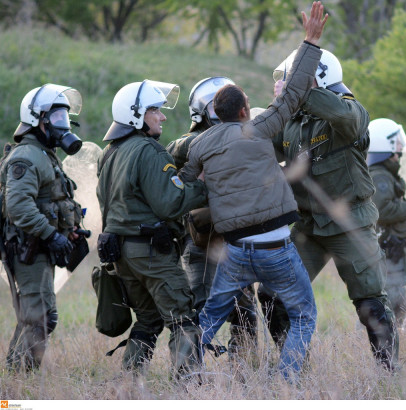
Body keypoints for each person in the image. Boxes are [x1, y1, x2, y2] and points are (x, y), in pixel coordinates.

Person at [179, 1, 327, 381]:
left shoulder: (198, 146)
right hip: (276, 248)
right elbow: (292, 95)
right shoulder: (259, 128)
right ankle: (287, 379)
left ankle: (184, 374)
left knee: (209, 318)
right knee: (303, 314)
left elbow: (185, 185)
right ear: (245, 110)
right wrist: (310, 41)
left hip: (235, 253)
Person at [257, 45, 399, 370]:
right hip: (309, 227)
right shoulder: (294, 122)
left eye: (296, 80)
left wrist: (300, 94)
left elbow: (346, 118)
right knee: (272, 295)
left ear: (317, 80)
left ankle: (390, 377)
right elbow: (261, 141)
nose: (288, 85)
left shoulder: (348, 113)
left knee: (371, 306)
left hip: (351, 224)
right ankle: (295, 369)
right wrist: (279, 106)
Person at [96, 79, 208, 380]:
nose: (163, 116)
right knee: (183, 317)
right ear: (136, 114)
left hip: (121, 254)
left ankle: (129, 385)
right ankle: (190, 386)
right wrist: (203, 185)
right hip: (149, 253)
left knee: (147, 320)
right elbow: (171, 204)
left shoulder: (109, 152)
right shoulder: (149, 151)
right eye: (155, 110)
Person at [166, 77, 257, 355]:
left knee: (246, 313)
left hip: (236, 241)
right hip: (202, 242)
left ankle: (245, 369)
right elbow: (176, 148)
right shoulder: (190, 141)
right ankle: (189, 374)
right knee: (198, 309)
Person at [1, 84, 86, 372]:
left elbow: (52, 201)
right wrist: (51, 234)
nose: (64, 126)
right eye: (57, 118)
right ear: (38, 120)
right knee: (40, 317)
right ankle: (19, 378)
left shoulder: (45, 155)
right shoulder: (27, 156)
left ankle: (15, 373)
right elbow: (19, 207)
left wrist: (68, 230)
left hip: (39, 247)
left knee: (36, 316)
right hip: (29, 248)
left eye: (65, 118)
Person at [367, 118, 406, 330]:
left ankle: (389, 340)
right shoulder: (381, 176)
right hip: (389, 249)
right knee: (390, 301)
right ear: (385, 145)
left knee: (392, 300)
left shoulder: (383, 174)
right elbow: (382, 210)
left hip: (391, 248)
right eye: (396, 143)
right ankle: (382, 343)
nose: (400, 148)